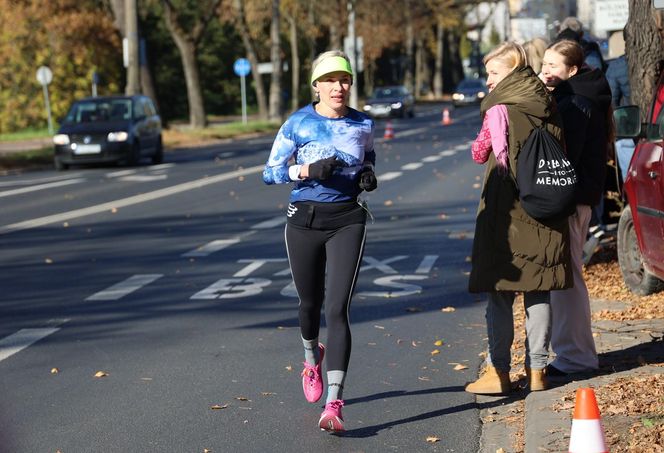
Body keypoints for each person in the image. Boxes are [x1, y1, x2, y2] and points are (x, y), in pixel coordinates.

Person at [262, 50, 377, 433]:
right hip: (304, 221)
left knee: (337, 308)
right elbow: (270, 173)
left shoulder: (362, 123)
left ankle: (334, 403)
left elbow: (369, 157)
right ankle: (312, 358)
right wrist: (306, 169)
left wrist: (367, 175)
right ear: (317, 85)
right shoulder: (298, 123)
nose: (338, 87)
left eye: (344, 80)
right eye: (329, 80)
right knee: (309, 304)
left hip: (347, 219)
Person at [465, 42, 571, 396]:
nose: (488, 80)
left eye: (494, 73)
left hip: (507, 211)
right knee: (538, 292)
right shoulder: (546, 101)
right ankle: (538, 371)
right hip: (544, 206)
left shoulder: (499, 110)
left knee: (500, 294)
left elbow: (484, 154)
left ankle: (498, 373)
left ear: (510, 73)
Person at [539, 39, 612, 377]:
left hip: (571, 198)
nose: (545, 71)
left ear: (572, 69)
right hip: (580, 196)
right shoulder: (580, 95)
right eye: (544, 64)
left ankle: (575, 357)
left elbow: (564, 157)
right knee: (568, 276)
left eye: (552, 66)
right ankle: (572, 352)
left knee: (567, 278)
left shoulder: (575, 102)